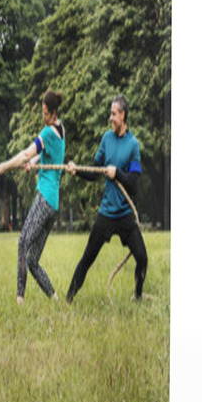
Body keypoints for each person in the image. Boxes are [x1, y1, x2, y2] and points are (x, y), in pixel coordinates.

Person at [65, 94, 147, 302]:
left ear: (122, 115)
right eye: (110, 114)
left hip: (126, 214)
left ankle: (137, 296)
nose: (110, 118)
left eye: (113, 114)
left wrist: (117, 173)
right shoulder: (106, 139)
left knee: (142, 258)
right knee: (87, 259)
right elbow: (94, 171)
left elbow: (134, 183)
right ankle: (68, 300)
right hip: (107, 213)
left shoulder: (133, 144)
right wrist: (77, 170)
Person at [0, 90, 65, 304]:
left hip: (44, 197)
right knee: (32, 260)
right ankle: (54, 298)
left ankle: (19, 299)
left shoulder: (46, 133)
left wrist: (5, 166)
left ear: (53, 112)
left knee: (23, 242)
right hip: (53, 204)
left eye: (45, 113)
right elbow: (48, 155)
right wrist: (34, 163)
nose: (42, 116)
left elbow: (27, 152)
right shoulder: (61, 129)